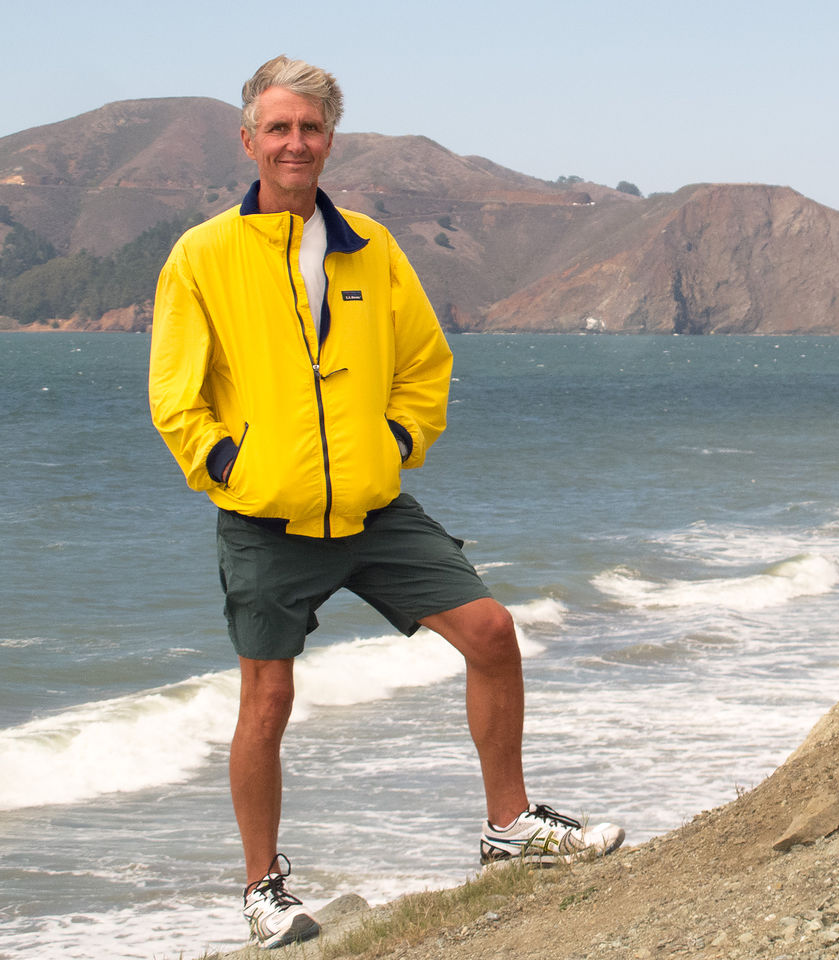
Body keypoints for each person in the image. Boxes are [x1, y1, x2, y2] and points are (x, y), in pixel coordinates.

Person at [148, 55, 622, 950]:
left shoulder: (369, 244)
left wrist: (393, 444)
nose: (296, 143)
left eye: (312, 128)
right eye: (279, 128)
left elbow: (425, 365)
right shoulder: (202, 255)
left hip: (373, 507)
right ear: (249, 139)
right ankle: (263, 891)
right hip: (266, 517)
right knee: (266, 702)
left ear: (331, 140)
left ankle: (509, 828)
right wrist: (231, 465)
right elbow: (176, 396)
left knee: (491, 632)